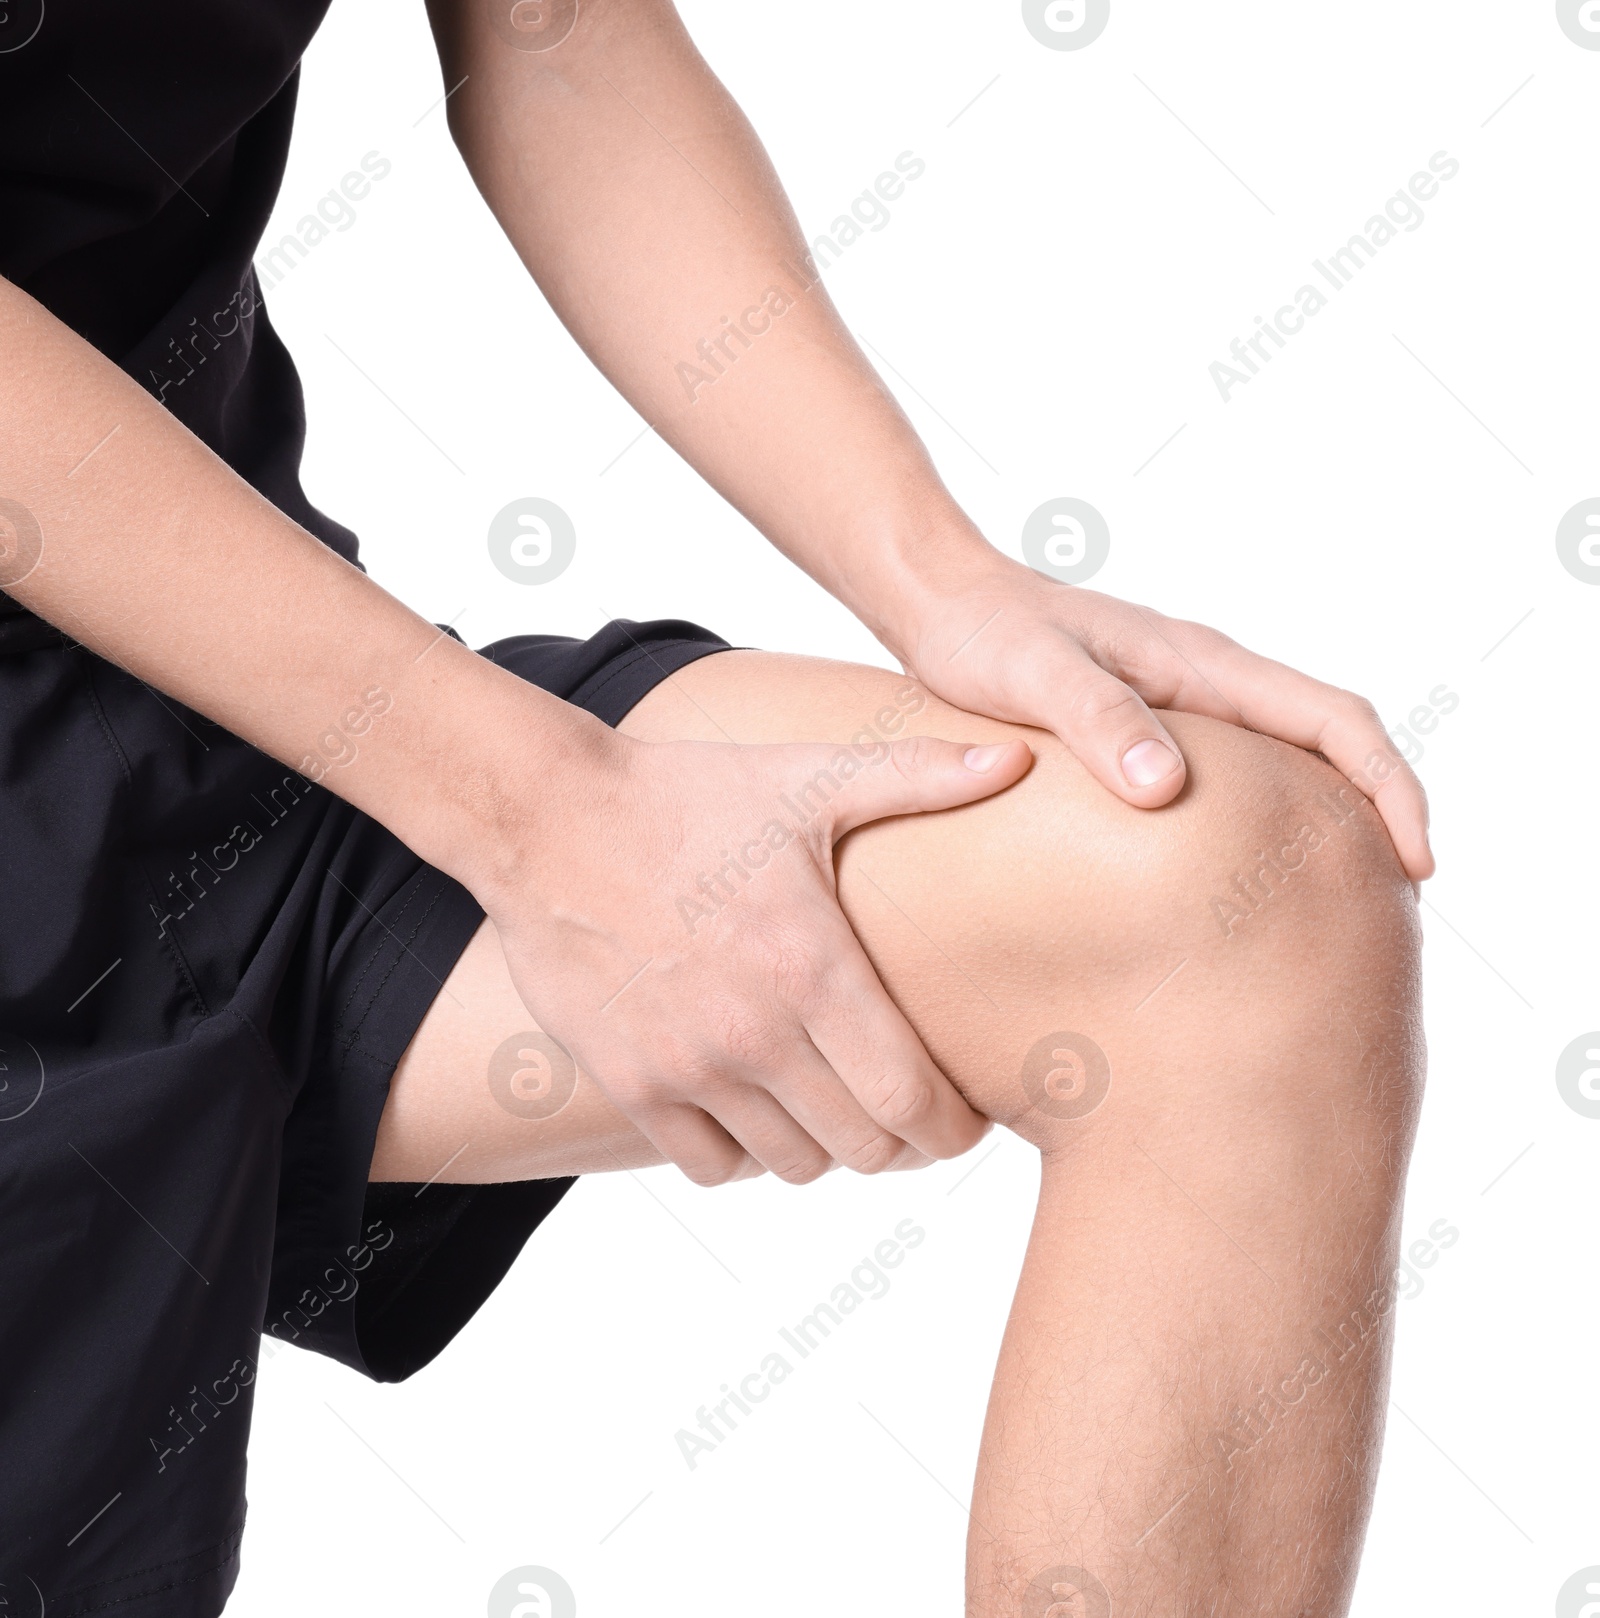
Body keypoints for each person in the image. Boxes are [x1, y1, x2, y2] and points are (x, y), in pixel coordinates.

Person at [0, 2, 1430, 1613]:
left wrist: (937, 578)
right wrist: (537, 807)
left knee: (1238, 902)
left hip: (225, 705)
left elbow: (560, 39)